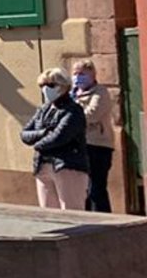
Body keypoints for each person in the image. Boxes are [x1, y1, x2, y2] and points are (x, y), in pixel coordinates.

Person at [22, 68, 90, 210]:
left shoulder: (73, 110)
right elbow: (25, 134)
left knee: (71, 210)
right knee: (48, 211)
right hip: (42, 165)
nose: (46, 89)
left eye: (51, 85)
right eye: (42, 86)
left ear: (64, 86)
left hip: (66, 165)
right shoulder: (43, 110)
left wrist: (38, 145)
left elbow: (59, 136)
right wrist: (43, 132)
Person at [74, 60, 118, 213]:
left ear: (92, 74)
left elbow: (92, 114)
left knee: (96, 188)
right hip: (78, 145)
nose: (78, 77)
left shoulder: (100, 92)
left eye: (82, 73)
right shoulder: (72, 93)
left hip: (98, 145)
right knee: (82, 189)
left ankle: (103, 220)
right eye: (75, 73)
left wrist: (71, 117)